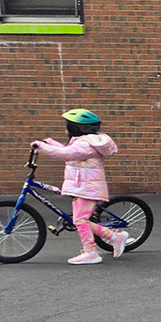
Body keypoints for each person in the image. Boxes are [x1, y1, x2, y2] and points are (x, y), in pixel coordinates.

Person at [33, 109, 128, 265]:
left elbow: (66, 154)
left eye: (68, 126)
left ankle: (91, 252)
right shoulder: (85, 142)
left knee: (80, 220)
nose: (66, 129)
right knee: (80, 220)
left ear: (77, 128)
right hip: (83, 186)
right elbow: (68, 152)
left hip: (87, 188)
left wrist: (42, 148)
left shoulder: (85, 144)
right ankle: (114, 237)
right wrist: (50, 144)